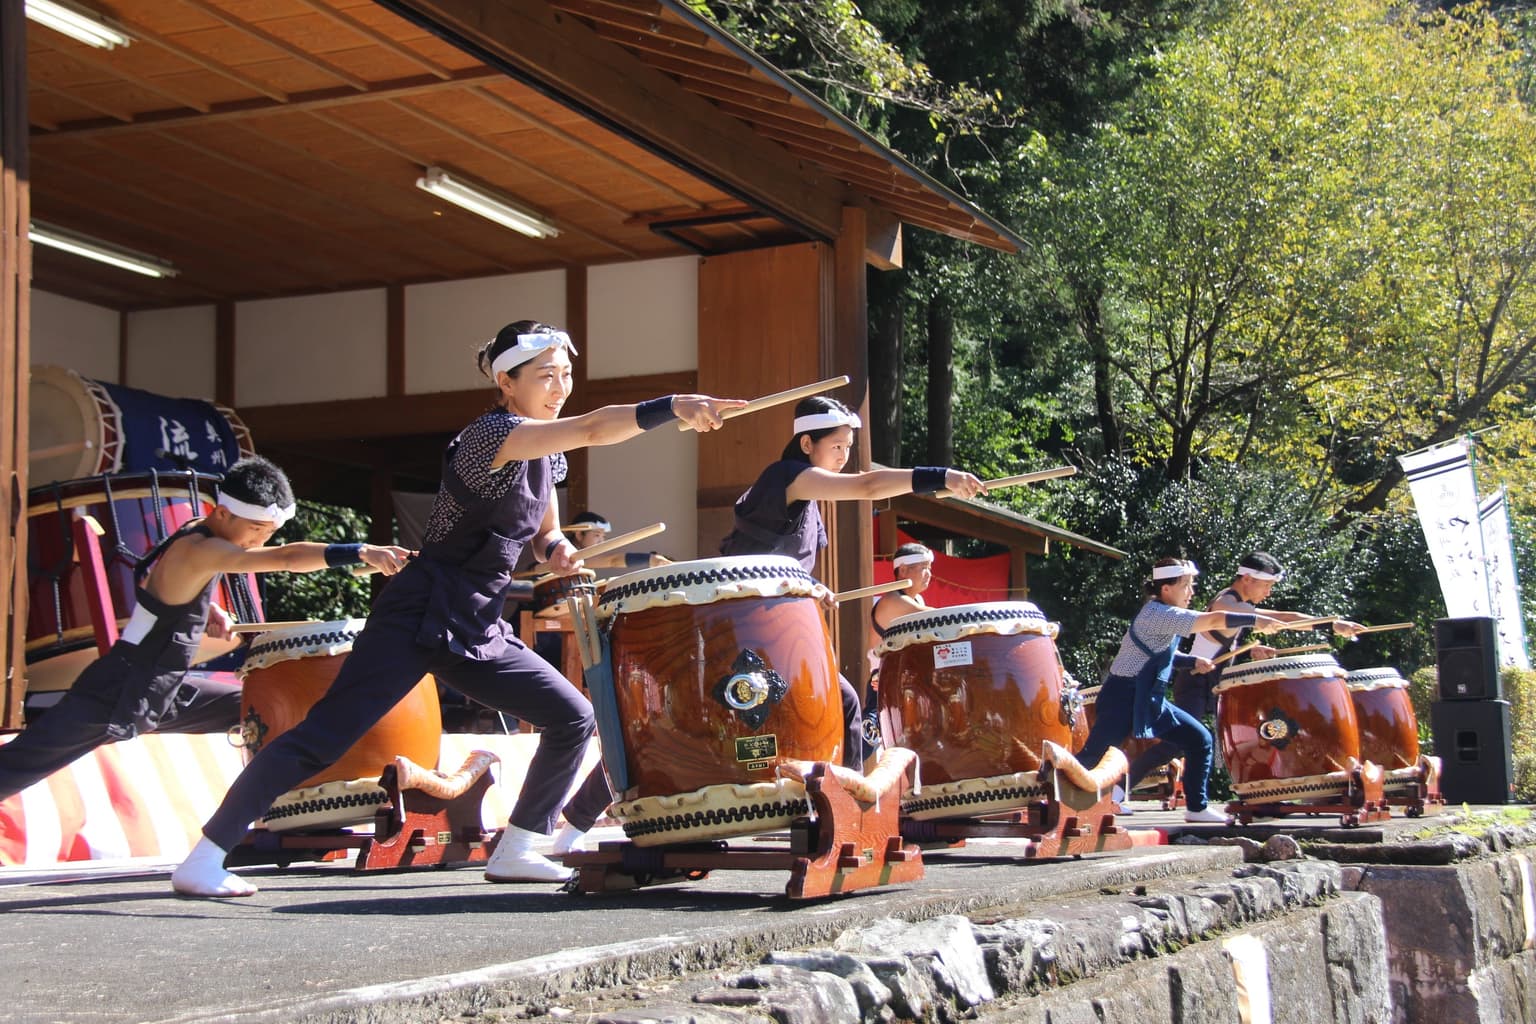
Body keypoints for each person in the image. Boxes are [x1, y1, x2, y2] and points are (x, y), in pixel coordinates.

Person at [171, 321, 745, 898]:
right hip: (419, 610)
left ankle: (520, 846)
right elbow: (596, 427)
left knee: (572, 717)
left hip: (476, 618)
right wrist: (675, 406)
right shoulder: (489, 436)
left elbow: (542, 534)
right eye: (546, 376)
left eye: (566, 374)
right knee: (322, 737)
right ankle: (205, 856)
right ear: (506, 381)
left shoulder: (548, 456)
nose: (559, 387)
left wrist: (560, 552)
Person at [0, 456, 413, 801]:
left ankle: (273, 813)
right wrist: (360, 551)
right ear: (224, 513)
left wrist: (204, 604)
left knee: (262, 706)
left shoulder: (196, 531)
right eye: (256, 530)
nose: (259, 541)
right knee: (22, 763)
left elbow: (148, 578)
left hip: (165, 684)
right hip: (119, 687)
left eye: (268, 532)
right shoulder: (201, 549)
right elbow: (285, 558)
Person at [720, 396, 986, 770]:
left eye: (847, 447)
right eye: (836, 446)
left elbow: (784, 560)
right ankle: (841, 798)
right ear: (807, 444)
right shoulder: (787, 476)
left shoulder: (807, 498)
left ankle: (842, 797)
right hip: (748, 620)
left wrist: (812, 586)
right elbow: (868, 486)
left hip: (776, 620)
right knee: (819, 704)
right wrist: (940, 477)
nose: (843, 455)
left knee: (840, 702)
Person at [1121, 551, 1362, 795]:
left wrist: (1248, 652)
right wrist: (1331, 624)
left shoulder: (1240, 604)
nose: (1268, 592)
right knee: (1175, 744)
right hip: (1196, 680)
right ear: (1246, 578)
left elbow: (1220, 643)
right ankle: (1119, 789)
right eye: (1266, 585)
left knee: (1237, 736)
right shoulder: (1227, 602)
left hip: (1215, 681)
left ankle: (1243, 793)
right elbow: (1282, 618)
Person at [1073, 557, 1289, 823]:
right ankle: (1049, 798)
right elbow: (1212, 620)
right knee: (1093, 755)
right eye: (1186, 586)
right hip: (1123, 695)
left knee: (1199, 740)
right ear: (1166, 589)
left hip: (1149, 696)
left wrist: (1191, 661)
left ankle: (1196, 808)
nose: (1192, 592)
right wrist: (1254, 620)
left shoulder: (1163, 615)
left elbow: (1162, 656)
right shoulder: (1160, 614)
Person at [862, 542, 935, 755]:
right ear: (903, 570)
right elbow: (934, 617)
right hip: (883, 681)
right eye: (923, 567)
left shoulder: (915, 600)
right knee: (873, 738)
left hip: (905, 682)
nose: (929, 574)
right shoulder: (893, 600)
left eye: (930, 568)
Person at [566, 511, 672, 571]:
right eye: (597, 535)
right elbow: (613, 560)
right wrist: (649, 559)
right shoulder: (565, 552)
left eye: (603, 536)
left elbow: (613, 561)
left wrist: (651, 559)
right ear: (579, 534)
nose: (601, 541)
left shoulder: (585, 558)